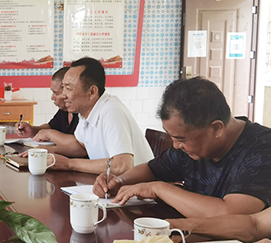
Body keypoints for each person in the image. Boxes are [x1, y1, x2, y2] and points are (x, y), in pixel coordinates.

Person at [94, 77, 271, 218]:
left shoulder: (262, 149)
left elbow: (232, 215)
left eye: (181, 139)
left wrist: (158, 189)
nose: (176, 145)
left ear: (216, 128)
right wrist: (119, 182)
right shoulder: (188, 148)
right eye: (171, 137)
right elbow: (152, 169)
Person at [20, 57, 153, 175]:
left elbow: (122, 166)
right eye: (63, 88)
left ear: (92, 92)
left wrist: (69, 164)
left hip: (138, 190)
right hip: (111, 185)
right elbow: (81, 147)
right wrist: (48, 151)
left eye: (68, 88)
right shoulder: (85, 113)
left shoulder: (111, 112)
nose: (63, 95)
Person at [16, 67, 78, 138]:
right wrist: (32, 130)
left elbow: (78, 143)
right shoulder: (64, 110)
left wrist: (49, 134)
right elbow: (52, 127)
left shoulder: (82, 113)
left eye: (56, 93)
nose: (52, 97)